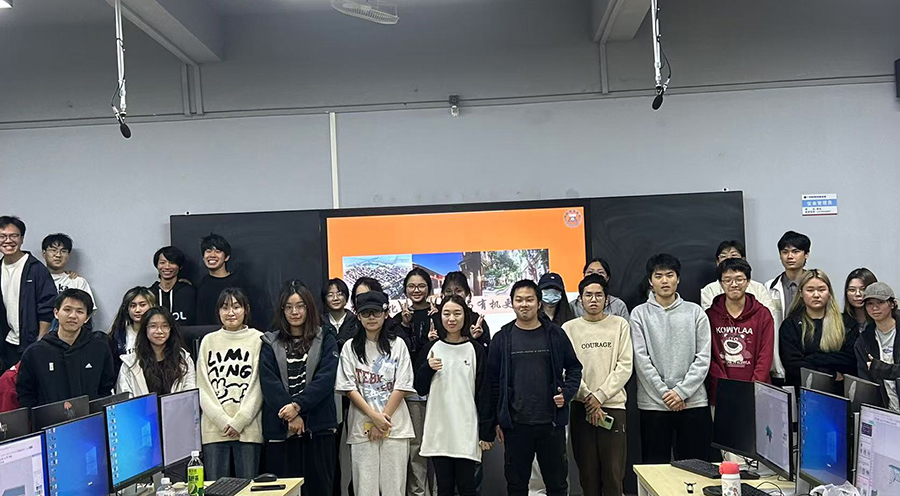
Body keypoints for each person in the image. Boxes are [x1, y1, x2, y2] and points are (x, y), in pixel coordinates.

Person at [488, 279, 582, 496]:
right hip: (515, 425)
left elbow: (575, 368)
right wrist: (497, 419)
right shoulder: (502, 338)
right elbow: (493, 382)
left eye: (529, 300)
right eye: (519, 300)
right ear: (512, 303)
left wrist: (567, 393)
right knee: (516, 486)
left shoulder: (555, 334)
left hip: (551, 424)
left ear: (539, 303)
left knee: (557, 485)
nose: (524, 304)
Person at [631, 254, 712, 463]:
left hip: (693, 402)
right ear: (650, 281)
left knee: (696, 467)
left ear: (678, 278)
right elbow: (641, 359)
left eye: (670, 275)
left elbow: (703, 358)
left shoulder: (695, 312)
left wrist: (681, 392)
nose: (664, 281)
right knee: (654, 468)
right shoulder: (639, 314)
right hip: (654, 404)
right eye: (658, 276)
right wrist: (665, 394)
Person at [260, 281, 339, 495]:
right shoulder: (270, 341)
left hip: (318, 428)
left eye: (300, 306)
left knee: (319, 489)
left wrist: (298, 406)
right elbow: (269, 382)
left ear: (309, 308)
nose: (295, 312)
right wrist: (291, 413)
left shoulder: (325, 337)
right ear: (282, 310)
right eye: (289, 307)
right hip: (281, 429)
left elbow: (326, 378)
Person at [335, 290, 416, 496]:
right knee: (365, 489)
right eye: (365, 313)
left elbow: (402, 385)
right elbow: (349, 388)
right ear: (358, 316)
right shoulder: (350, 348)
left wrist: (383, 420)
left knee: (394, 489)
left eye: (376, 312)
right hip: (362, 427)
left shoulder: (398, 345)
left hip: (395, 427)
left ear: (386, 313)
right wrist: (374, 417)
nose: (371, 317)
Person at [414, 295, 493, 496]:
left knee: (468, 486)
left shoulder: (475, 349)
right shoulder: (431, 348)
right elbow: (419, 388)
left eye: (457, 313)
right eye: (446, 313)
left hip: (466, 429)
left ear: (465, 316)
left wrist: (486, 432)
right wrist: (427, 368)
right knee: (444, 487)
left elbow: (485, 393)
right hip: (439, 429)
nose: (451, 318)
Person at [563, 274, 632, 496]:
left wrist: (599, 396)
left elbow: (625, 365)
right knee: (588, 475)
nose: (593, 299)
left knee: (613, 475)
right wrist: (588, 397)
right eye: (588, 295)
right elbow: (567, 369)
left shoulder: (619, 325)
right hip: (581, 407)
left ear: (606, 298)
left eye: (598, 295)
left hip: (612, 407)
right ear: (580, 299)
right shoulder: (569, 328)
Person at [196, 288, 264, 480]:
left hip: (248, 429)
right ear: (218, 311)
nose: (231, 312)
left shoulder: (258, 339)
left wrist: (240, 420)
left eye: (236, 307)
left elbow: (259, 386)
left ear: (246, 309)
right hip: (214, 430)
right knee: (215, 488)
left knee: (248, 488)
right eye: (225, 307)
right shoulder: (208, 341)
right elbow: (201, 386)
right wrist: (222, 420)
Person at [16, 289, 116, 407]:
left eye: (80, 311)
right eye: (67, 310)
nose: (72, 316)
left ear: (87, 318)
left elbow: (106, 388)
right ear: (56, 313)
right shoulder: (35, 352)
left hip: (91, 416)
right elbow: (26, 393)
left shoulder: (99, 349)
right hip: (49, 418)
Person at [705, 258, 774, 404]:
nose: (734, 284)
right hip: (720, 393)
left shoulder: (763, 314)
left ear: (748, 281)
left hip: (756, 392)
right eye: (727, 280)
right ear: (720, 283)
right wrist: (725, 387)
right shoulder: (710, 315)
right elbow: (708, 356)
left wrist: (753, 387)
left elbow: (766, 355)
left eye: (739, 279)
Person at [779, 269, 858, 390]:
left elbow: (850, 360)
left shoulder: (847, 323)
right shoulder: (790, 325)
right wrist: (830, 374)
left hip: (838, 392)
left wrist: (812, 358)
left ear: (829, 292)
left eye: (821, 290)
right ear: (801, 293)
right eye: (810, 290)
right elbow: (793, 365)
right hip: (802, 391)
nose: (816, 295)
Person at [396, 268, 437, 496]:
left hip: (438, 390)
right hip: (411, 393)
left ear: (429, 288)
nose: (416, 290)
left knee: (440, 446)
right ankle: (419, 492)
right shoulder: (398, 320)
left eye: (421, 285)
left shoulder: (441, 314)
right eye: (411, 286)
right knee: (416, 448)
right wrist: (404, 325)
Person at [0, 216, 56, 369]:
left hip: (30, 344)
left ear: (22, 238)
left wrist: (40, 340)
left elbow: (47, 306)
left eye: (14, 236)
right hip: (6, 344)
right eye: (3, 236)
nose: (8, 241)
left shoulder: (36, 269)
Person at [116, 307, 196, 396]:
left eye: (165, 326)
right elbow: (125, 399)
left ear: (171, 329)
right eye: (153, 326)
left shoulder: (184, 359)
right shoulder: (130, 363)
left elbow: (190, 396)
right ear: (145, 329)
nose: (159, 331)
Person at [765, 231, 811, 384]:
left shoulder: (816, 285)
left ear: (806, 254)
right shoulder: (769, 287)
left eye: (795, 251)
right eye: (785, 252)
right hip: (779, 352)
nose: (789, 256)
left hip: (808, 351)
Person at [853, 282, 900, 412]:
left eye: (880, 302)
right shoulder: (863, 341)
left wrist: (881, 368)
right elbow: (866, 383)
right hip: (886, 410)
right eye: (869, 303)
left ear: (892, 304)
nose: (874, 308)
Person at [699, 240, 776, 314]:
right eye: (723, 256)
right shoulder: (709, 290)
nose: (729, 259)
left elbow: (769, 313)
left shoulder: (758, 288)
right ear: (717, 262)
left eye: (734, 255)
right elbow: (709, 318)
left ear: (743, 259)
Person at [41, 233, 97, 322]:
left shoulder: (77, 281)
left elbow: (88, 311)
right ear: (44, 253)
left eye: (63, 251)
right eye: (53, 250)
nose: (58, 255)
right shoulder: (35, 280)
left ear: (68, 255)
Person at [196, 234, 246, 325]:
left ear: (226, 257)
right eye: (208, 251)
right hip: (206, 333)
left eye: (217, 251)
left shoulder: (240, 284)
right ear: (203, 257)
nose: (212, 255)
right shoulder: (199, 285)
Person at [107, 287, 157, 372]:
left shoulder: (159, 334)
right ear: (127, 309)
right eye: (133, 306)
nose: (137, 310)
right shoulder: (118, 336)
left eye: (142, 305)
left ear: (152, 306)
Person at [150, 246, 197, 324]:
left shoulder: (190, 292)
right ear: (157, 265)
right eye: (162, 262)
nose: (167, 267)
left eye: (172, 263)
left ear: (180, 266)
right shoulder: (150, 294)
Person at [843, 268, 877, 333]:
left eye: (863, 289)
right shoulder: (840, 323)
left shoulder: (884, 321)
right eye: (852, 290)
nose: (858, 294)